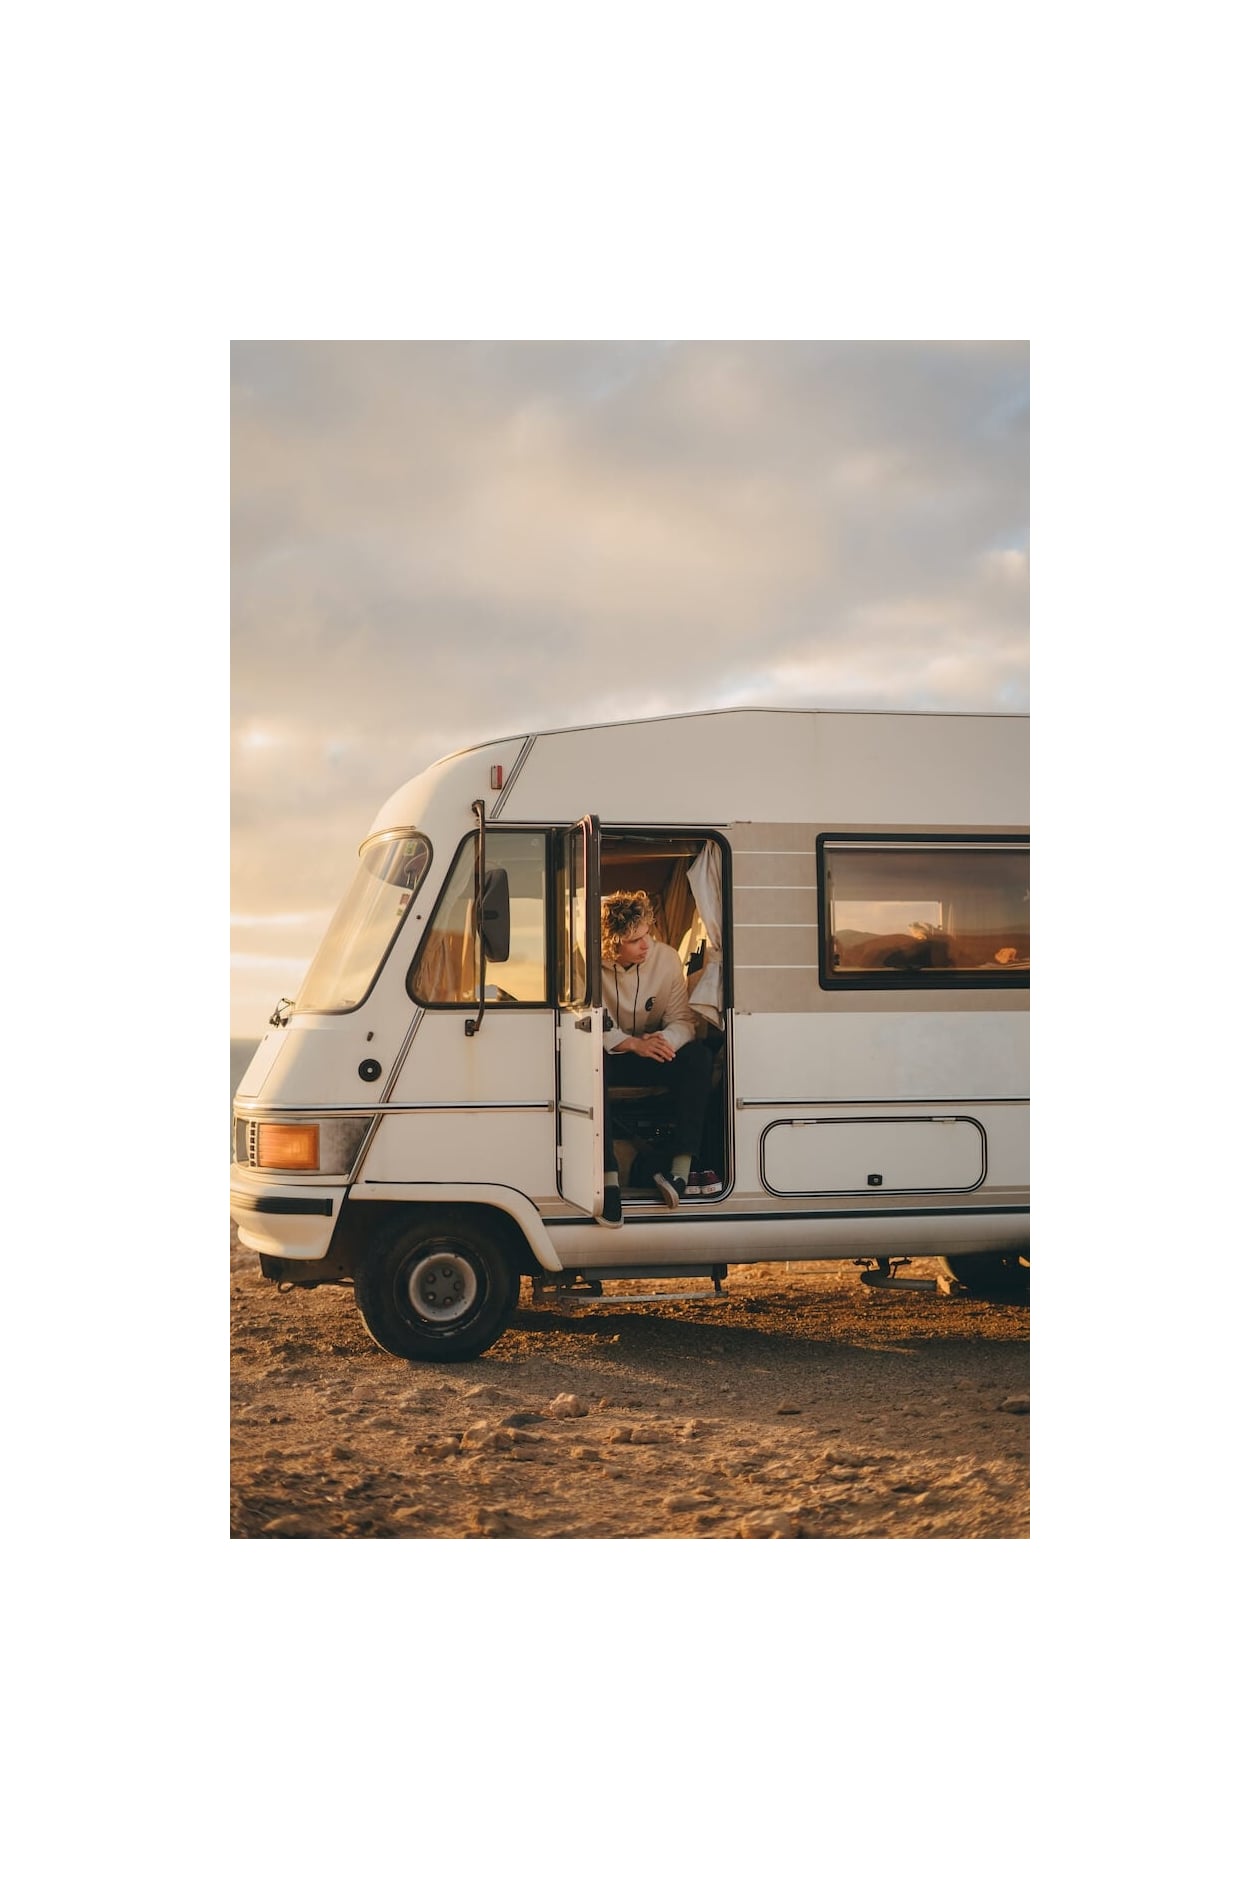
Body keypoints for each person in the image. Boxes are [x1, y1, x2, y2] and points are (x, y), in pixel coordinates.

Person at [597, 891, 713, 1226]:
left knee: (698, 1059)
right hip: (612, 1052)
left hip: (653, 1049)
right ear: (611, 945)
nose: (645, 944)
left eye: (647, 933)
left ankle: (679, 1172)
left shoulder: (666, 959)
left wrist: (664, 1041)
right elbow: (590, 1022)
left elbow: (683, 1020)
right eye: (635, 940)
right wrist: (631, 1043)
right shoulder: (584, 961)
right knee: (589, 1067)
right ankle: (608, 1180)